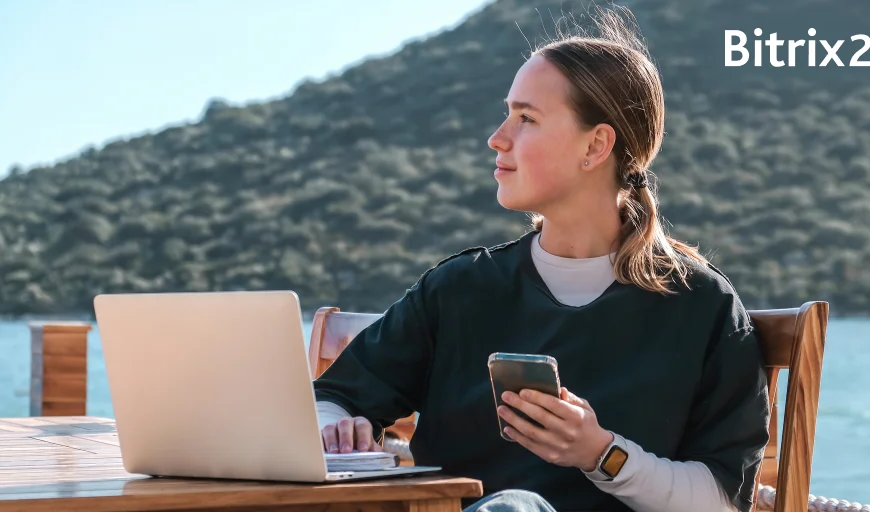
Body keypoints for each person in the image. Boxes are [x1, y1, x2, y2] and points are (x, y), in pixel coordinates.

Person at [312, 6, 770, 512]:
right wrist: (337, 429)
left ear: (595, 145)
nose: (497, 138)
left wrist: (600, 453)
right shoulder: (460, 289)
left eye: (526, 118)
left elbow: (723, 499)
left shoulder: (700, 305)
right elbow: (329, 399)